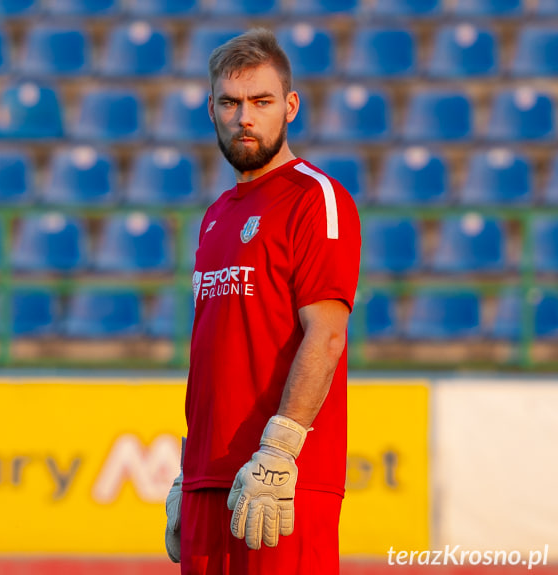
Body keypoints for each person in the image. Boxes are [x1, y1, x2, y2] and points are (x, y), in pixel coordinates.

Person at [164, 28, 361, 575]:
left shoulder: (315, 198)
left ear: (290, 106)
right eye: (230, 102)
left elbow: (326, 335)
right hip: (211, 482)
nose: (244, 117)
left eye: (261, 101)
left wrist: (279, 452)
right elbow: (215, 351)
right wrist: (190, 469)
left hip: (281, 482)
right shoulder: (215, 215)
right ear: (211, 110)